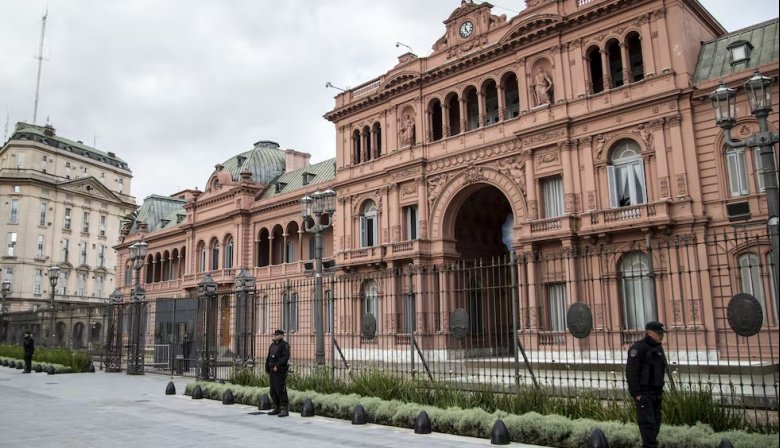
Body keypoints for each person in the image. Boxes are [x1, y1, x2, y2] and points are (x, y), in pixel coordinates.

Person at [626, 321, 668, 448]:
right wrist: (636, 394)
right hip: (644, 394)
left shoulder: (658, 348)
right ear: (649, 332)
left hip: (656, 393)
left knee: (655, 424)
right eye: (659, 333)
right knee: (648, 426)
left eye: (662, 334)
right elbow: (631, 372)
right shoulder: (638, 348)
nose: (661, 336)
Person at [265, 329, 290, 417]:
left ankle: (284, 409)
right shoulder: (272, 345)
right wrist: (267, 369)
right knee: (273, 390)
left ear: (282, 335)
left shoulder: (284, 345)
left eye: (277, 335)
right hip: (272, 370)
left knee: (280, 390)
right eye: (275, 335)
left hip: (280, 370)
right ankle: (277, 408)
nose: (275, 336)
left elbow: (285, 357)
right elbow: (268, 357)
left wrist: (277, 365)